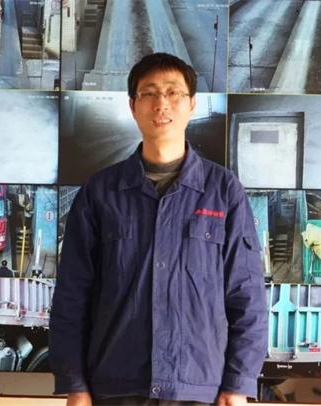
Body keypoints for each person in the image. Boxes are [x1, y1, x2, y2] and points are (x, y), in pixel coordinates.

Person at [50, 53, 267, 406]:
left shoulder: (224, 190)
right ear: (133, 106)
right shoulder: (99, 193)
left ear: (192, 104)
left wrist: (238, 384)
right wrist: (74, 383)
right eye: (149, 93)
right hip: (115, 388)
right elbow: (72, 296)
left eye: (173, 92)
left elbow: (247, 296)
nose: (161, 103)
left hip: (199, 389)